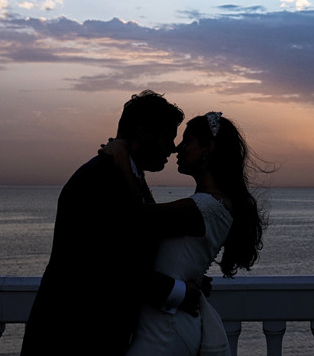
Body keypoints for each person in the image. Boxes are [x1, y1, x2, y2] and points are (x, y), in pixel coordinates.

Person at [21, 90, 207, 356]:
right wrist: (179, 292)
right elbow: (110, 266)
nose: (172, 147)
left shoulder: (126, 178)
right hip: (72, 338)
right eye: (168, 136)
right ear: (143, 132)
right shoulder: (101, 179)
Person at [103, 111, 266, 356]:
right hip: (167, 323)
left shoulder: (205, 207)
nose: (178, 148)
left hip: (167, 329)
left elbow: (138, 216)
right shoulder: (208, 204)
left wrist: (123, 160)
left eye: (187, 140)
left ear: (207, 148)